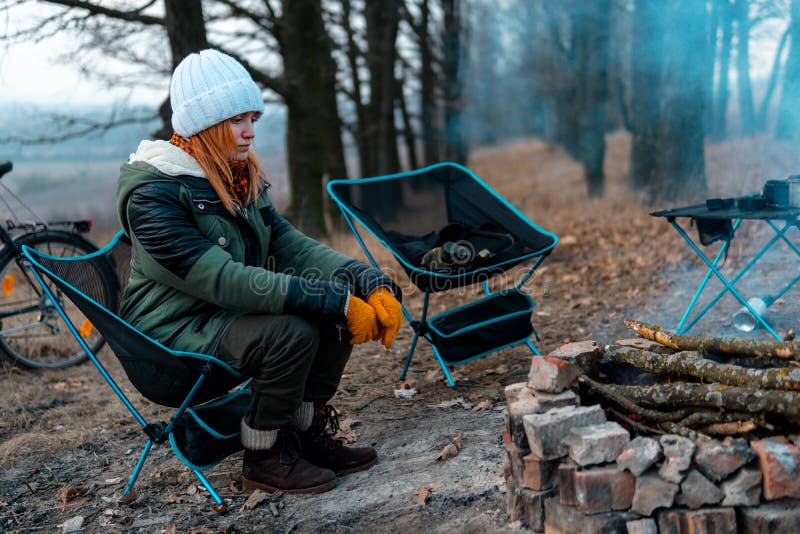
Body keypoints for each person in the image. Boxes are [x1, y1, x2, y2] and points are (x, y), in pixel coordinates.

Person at [115, 49, 403, 495]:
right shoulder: (153, 196)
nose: (250, 132)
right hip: (168, 341)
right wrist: (335, 300)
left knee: (327, 314)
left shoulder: (235, 175)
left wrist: (364, 280)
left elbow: (286, 244)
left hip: (217, 317)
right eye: (236, 120)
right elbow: (223, 279)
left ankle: (302, 435)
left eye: (253, 117)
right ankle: (264, 457)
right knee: (294, 330)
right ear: (203, 125)